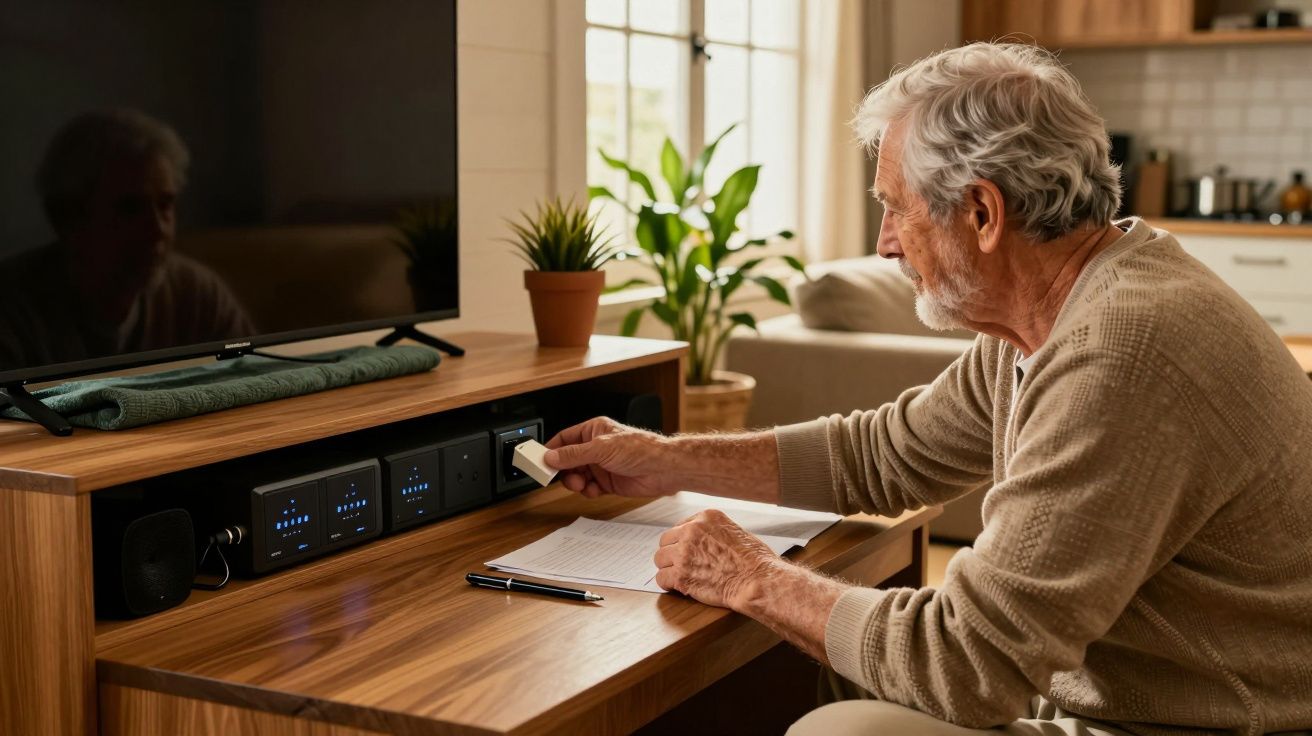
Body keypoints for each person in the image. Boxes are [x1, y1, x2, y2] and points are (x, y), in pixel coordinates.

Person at [542, 43, 1312, 736]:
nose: (882, 244)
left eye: (893, 207)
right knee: (819, 663)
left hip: (1206, 727)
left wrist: (750, 575)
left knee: (833, 733)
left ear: (981, 212)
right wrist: (665, 460)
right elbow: (880, 456)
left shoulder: (1120, 353)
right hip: (1118, 699)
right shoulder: (1057, 309)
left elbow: (971, 666)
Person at [0, 108, 254, 372]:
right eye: (130, 209)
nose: (158, 230)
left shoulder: (199, 296)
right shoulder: (13, 309)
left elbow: (258, 378)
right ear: (68, 218)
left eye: (165, 204)